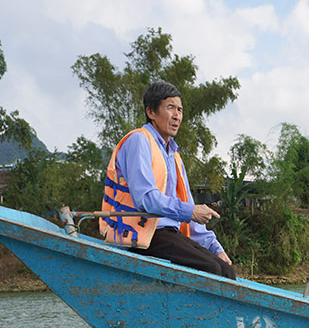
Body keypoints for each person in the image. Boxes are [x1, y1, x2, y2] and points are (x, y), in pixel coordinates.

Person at [99, 80, 236, 280]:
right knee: (210, 269)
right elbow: (146, 198)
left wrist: (215, 247)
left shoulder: (174, 155)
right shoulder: (139, 141)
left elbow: (188, 204)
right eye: (170, 108)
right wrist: (190, 212)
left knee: (225, 269)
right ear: (151, 112)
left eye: (179, 110)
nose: (176, 116)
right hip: (139, 234)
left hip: (166, 233)